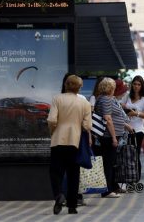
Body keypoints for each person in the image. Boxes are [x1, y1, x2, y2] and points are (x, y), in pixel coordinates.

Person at [47, 75, 92, 215]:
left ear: (66, 85)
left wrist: (53, 132)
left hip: (58, 140)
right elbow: (87, 125)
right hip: (75, 141)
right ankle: (72, 206)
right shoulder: (85, 103)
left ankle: (59, 195)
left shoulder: (57, 99)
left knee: (55, 171)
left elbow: (52, 120)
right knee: (73, 173)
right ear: (79, 87)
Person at [94, 77, 134, 198]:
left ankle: (109, 188)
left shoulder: (105, 99)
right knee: (108, 163)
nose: (115, 89)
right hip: (108, 136)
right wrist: (113, 138)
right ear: (110, 88)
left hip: (111, 134)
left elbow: (115, 117)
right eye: (114, 87)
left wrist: (125, 125)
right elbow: (108, 118)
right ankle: (107, 190)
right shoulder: (105, 99)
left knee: (110, 162)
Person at [120, 75, 144, 170]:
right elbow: (119, 106)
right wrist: (124, 107)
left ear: (142, 86)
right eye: (135, 84)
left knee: (135, 154)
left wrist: (136, 113)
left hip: (138, 130)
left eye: (139, 84)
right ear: (132, 85)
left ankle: (136, 176)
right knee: (125, 154)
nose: (136, 86)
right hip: (125, 129)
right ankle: (127, 175)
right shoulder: (127, 96)